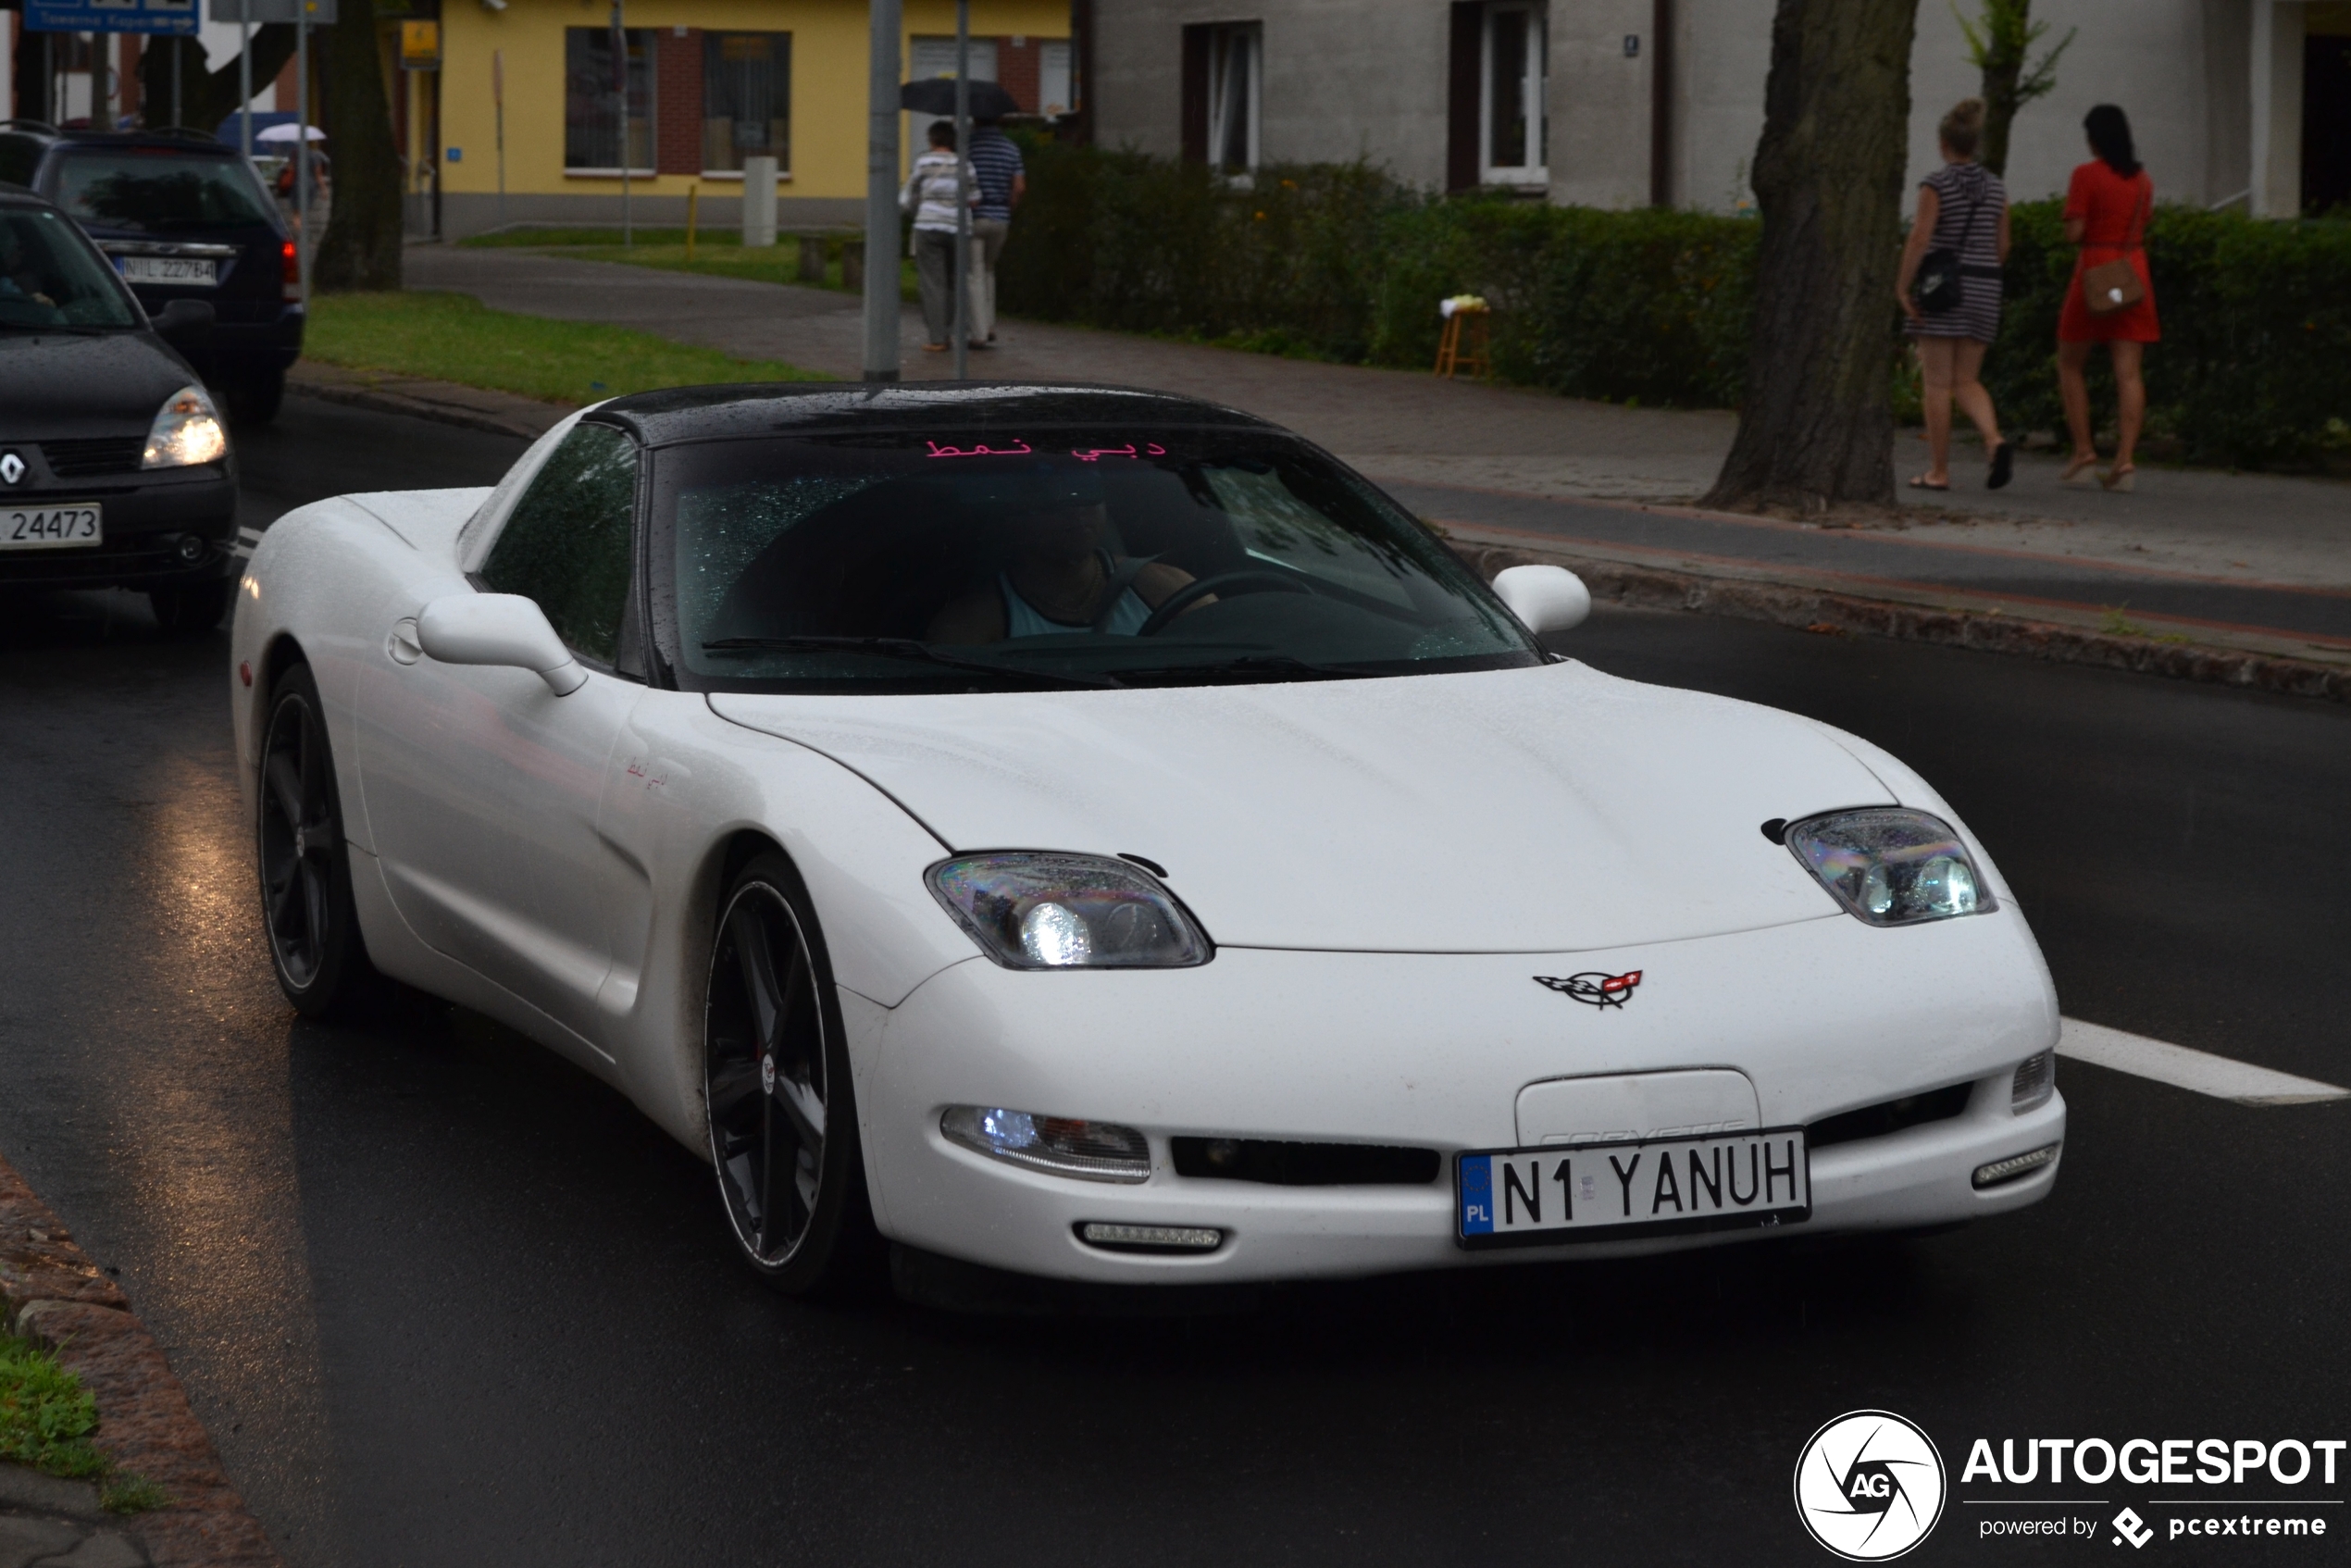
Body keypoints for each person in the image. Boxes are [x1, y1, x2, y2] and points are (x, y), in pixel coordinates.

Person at [927, 469, 1203, 642]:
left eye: (1088, 493)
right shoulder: (972, 625)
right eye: (1052, 499)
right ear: (1013, 519)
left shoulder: (1168, 589)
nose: (1076, 510)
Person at [1896, 99, 2011, 492]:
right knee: (1967, 379)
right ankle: (1994, 439)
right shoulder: (1996, 188)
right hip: (1985, 286)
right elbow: (2003, 246)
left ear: (1944, 142)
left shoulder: (1936, 184)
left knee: (1937, 382)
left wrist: (1902, 286)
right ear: (1975, 144)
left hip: (1945, 288)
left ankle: (1939, 471)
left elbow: (1920, 237)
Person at [2057, 104, 2159, 492]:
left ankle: (2084, 451)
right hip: (2133, 272)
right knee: (2129, 372)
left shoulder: (2086, 175)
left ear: (2094, 138)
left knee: (2070, 363)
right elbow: (2144, 223)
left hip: (2095, 273)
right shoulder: (2143, 181)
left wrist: (2075, 225)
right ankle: (2125, 461)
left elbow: (2074, 231)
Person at [899, 120, 972, 354]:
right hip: (959, 228)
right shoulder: (966, 164)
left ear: (932, 140)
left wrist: (916, 211)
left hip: (928, 226)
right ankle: (949, 332)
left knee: (932, 283)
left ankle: (937, 338)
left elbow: (906, 198)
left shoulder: (923, 162)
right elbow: (975, 198)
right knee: (953, 282)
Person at [964, 116, 1026, 347]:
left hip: (975, 217)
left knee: (974, 274)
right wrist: (1008, 207)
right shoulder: (1010, 148)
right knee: (989, 270)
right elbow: (1019, 187)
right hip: (1001, 219)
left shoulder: (968, 146)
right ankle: (989, 324)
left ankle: (979, 333)